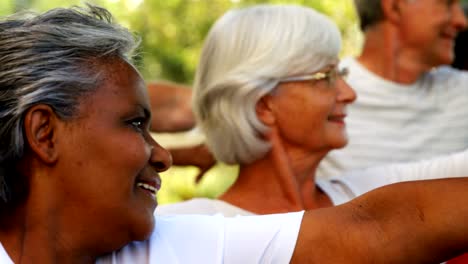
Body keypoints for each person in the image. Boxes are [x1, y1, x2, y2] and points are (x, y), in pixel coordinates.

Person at [1, 4, 468, 263]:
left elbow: (380, 225)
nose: (164, 155)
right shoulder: (195, 229)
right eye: (135, 124)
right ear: (44, 133)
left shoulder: (168, 247)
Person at [317, 0, 468, 178]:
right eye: (447, 4)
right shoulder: (321, 96)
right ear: (393, 7)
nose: (461, 21)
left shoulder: (461, 93)